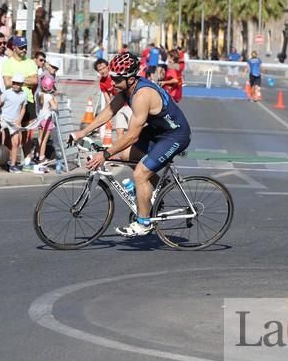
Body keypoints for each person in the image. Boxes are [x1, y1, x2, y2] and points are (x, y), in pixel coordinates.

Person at [73, 52, 192, 238]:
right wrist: (82, 132)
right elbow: (109, 112)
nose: (113, 82)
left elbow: (131, 136)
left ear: (130, 79)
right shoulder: (127, 89)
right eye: (112, 77)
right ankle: (156, 186)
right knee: (124, 155)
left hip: (175, 135)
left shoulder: (141, 95)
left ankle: (144, 223)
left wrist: (104, 155)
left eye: (117, 79)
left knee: (140, 174)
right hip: (157, 131)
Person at [2, 36, 38, 164]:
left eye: (25, 47)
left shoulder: (30, 62)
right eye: (21, 47)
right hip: (12, 101)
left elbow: (35, 80)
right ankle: (10, 160)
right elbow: (7, 82)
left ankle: (27, 159)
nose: (24, 49)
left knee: (27, 131)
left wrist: (17, 80)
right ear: (14, 47)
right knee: (11, 132)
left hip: (28, 99)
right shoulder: (8, 63)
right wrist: (25, 79)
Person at [95, 58, 133, 140]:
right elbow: (107, 100)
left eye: (103, 68)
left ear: (108, 67)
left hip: (129, 105)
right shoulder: (102, 82)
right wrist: (108, 115)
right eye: (99, 70)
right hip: (119, 107)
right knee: (119, 131)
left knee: (133, 130)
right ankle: (122, 152)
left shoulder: (115, 75)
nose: (102, 71)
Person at [0, 74, 28, 173]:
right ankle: (1, 162)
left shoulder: (24, 95)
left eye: (18, 83)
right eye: (14, 83)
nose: (15, 85)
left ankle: (13, 164)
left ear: (22, 84)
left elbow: (23, 108)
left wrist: (19, 119)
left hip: (15, 121)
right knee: (2, 141)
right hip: (4, 119)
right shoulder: (6, 93)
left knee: (16, 142)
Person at [35, 75, 57, 164]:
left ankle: (36, 154)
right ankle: (42, 157)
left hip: (40, 119)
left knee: (39, 138)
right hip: (47, 120)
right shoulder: (48, 96)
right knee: (44, 140)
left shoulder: (38, 94)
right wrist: (55, 100)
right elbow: (55, 107)